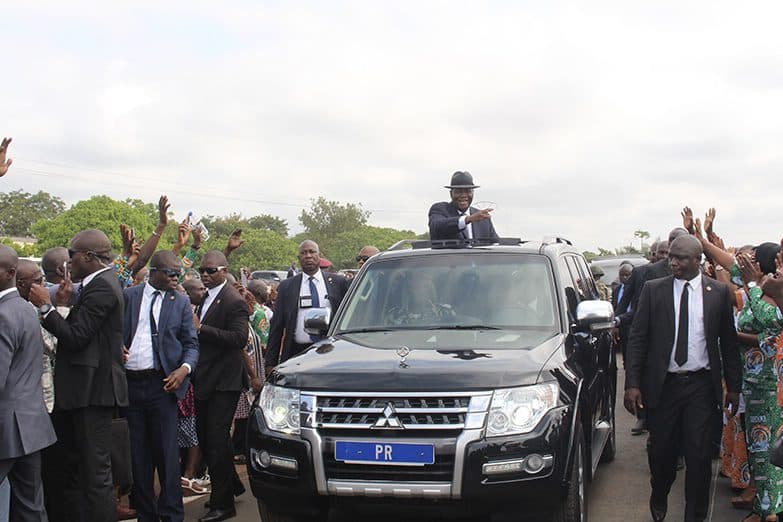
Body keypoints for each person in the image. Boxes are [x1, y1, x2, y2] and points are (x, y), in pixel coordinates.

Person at [624, 235, 741, 522]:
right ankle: (659, 489)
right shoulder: (654, 290)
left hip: (701, 386)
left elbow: (728, 342)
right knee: (662, 453)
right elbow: (638, 339)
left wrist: (734, 387)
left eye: (681, 258)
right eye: (671, 257)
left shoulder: (719, 293)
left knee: (699, 458)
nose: (673, 262)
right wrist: (632, 384)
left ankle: (695, 515)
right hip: (664, 386)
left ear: (698, 261)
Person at [27, 229, 129, 521]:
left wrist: (46, 308)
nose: (68, 262)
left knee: (96, 475)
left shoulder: (103, 287)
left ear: (88, 256)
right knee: (78, 470)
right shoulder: (95, 284)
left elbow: (75, 337)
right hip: (83, 392)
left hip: (93, 392)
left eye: (71, 255)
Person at [123, 250, 200, 522]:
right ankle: (146, 515)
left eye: (178, 273)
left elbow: (191, 344)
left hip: (162, 387)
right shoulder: (129, 297)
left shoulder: (179, 302)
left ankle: (171, 516)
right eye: (171, 273)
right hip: (130, 388)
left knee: (167, 457)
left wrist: (184, 369)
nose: (176, 277)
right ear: (154, 272)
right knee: (138, 459)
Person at [0, 245, 57, 521]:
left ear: (10, 273)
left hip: (7, 426)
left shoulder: (3, 313)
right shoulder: (24, 309)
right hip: (30, 424)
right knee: (30, 505)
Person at [191, 251, 248, 522]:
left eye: (211, 270)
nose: (205, 274)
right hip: (206, 378)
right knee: (210, 438)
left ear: (224, 271)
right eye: (202, 270)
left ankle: (223, 503)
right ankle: (232, 485)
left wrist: (202, 329)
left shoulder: (233, 301)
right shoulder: (207, 296)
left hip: (225, 381)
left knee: (214, 440)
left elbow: (239, 338)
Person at [265, 240, 350, 371]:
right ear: (299, 258)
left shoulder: (338, 283)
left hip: (330, 351)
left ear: (319, 255)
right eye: (304, 253)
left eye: (312, 252)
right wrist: (270, 363)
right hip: (297, 353)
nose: (308, 256)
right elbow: (277, 327)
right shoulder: (287, 286)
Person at [428, 171, 499, 241]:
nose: (464, 195)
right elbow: (436, 227)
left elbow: (496, 244)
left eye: (468, 191)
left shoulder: (483, 218)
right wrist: (467, 219)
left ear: (473, 193)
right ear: (451, 193)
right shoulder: (440, 209)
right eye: (458, 191)